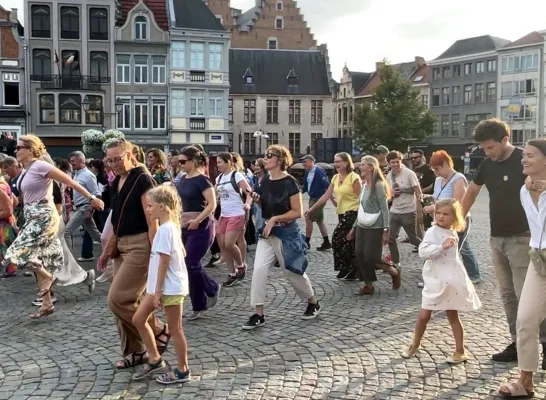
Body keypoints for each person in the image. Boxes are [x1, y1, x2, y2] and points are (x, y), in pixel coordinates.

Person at [461, 118, 546, 365]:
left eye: (490, 147)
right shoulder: (488, 164)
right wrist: (458, 218)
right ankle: (517, 342)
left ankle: (543, 342)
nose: (487, 153)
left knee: (529, 297)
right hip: (496, 238)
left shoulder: (527, 160)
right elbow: (473, 190)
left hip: (523, 238)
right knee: (508, 295)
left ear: (504, 140)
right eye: (484, 149)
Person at [4, 135, 103, 318]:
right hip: (32, 216)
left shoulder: (41, 165)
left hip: (44, 216)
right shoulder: (26, 170)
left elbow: (69, 182)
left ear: (31, 149)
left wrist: (92, 198)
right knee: (40, 260)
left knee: (14, 254)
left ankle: (50, 280)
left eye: (19, 148)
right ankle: (47, 303)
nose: (16, 151)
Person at [98, 139, 170, 369]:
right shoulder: (118, 180)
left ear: (130, 154)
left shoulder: (142, 178)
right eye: (109, 161)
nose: (113, 164)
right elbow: (118, 220)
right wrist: (108, 248)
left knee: (117, 299)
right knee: (125, 301)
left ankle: (157, 329)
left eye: (117, 159)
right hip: (122, 245)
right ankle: (135, 351)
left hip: (141, 245)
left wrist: (155, 254)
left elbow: (152, 220)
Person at [243, 145, 320, 330]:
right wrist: (257, 199)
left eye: (270, 155)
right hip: (268, 233)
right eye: (265, 155)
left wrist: (275, 219)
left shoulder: (290, 182)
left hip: (286, 233)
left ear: (280, 160)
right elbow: (265, 205)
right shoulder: (265, 181)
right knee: (259, 270)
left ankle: (312, 302)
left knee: (292, 271)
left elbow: (297, 212)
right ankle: (259, 314)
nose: (265, 158)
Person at [402, 198, 481, 363]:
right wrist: (440, 247)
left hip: (450, 280)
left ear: (454, 217)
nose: (441, 217)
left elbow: (453, 258)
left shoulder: (452, 232)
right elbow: (423, 252)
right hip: (435, 281)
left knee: (453, 315)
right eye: (438, 213)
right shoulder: (432, 232)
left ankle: (460, 350)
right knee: (424, 315)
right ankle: (415, 344)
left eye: (446, 214)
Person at [499, 139, 546, 398]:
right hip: (539, 262)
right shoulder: (523, 190)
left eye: (530, 155)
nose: (524, 159)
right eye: (523, 156)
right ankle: (525, 381)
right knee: (526, 320)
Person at [131, 185, 191, 384]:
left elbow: (165, 261)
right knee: (139, 318)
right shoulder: (170, 226)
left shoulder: (166, 229)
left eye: (151, 206)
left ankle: (183, 369)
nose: (148, 210)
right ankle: (155, 357)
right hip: (160, 286)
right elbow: (175, 255)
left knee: (175, 329)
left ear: (163, 207)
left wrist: (157, 292)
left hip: (169, 287)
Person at [176, 146, 220, 320]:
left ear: (193, 161)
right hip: (184, 226)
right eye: (179, 161)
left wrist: (198, 220)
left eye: (183, 161)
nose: (180, 165)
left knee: (190, 262)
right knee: (190, 266)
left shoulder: (203, 180)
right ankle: (198, 305)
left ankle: (212, 288)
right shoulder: (183, 179)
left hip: (201, 226)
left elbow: (211, 204)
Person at [424, 151, 481, 283]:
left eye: (437, 169)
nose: (436, 172)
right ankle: (441, 275)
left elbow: (457, 202)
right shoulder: (438, 180)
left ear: (445, 164)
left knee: (461, 246)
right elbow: (437, 197)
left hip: (457, 218)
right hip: (441, 219)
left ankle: (473, 274)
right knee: (441, 245)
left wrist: (434, 208)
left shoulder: (458, 179)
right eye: (433, 169)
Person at [305, 153, 361, 279]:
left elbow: (362, 198)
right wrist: (312, 209)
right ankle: (351, 268)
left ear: (346, 163)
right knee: (347, 242)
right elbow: (325, 196)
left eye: (339, 162)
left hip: (353, 212)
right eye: (335, 162)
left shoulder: (354, 177)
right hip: (341, 212)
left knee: (336, 237)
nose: (336, 164)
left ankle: (345, 267)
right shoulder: (335, 177)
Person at [348, 156, 398, 295]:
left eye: (363, 164)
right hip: (362, 225)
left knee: (372, 257)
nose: (360, 167)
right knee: (359, 254)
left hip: (376, 226)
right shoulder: (364, 185)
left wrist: (386, 230)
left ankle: (393, 271)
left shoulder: (378, 185)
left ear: (371, 167)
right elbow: (361, 208)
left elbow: (384, 209)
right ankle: (368, 285)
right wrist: (353, 228)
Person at [215, 152, 253, 287]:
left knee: (229, 243)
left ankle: (241, 266)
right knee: (224, 246)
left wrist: (248, 203)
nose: (217, 165)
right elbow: (215, 197)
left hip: (237, 213)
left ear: (228, 162)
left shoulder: (236, 175)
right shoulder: (218, 178)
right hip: (224, 214)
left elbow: (250, 192)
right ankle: (231, 274)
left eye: (220, 162)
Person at [385, 151, 423, 269]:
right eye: (393, 162)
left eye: (398, 162)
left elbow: (418, 191)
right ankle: (396, 263)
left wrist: (419, 208)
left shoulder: (409, 174)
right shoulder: (389, 175)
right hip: (394, 211)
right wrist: (391, 193)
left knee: (413, 239)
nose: (396, 164)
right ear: (389, 163)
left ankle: (430, 251)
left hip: (408, 211)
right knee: (390, 238)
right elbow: (387, 193)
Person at [64, 151, 102, 261]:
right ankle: (113, 245)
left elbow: (96, 194)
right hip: (81, 207)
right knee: (95, 235)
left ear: (81, 160)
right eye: (70, 162)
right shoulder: (77, 174)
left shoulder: (88, 175)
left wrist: (91, 209)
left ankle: (69, 260)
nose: (71, 164)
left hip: (85, 207)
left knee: (67, 231)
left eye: (73, 161)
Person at [301, 154, 333, 251]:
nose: (303, 164)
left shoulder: (319, 172)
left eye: (305, 162)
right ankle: (326, 242)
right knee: (320, 221)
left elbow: (327, 186)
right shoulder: (307, 172)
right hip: (312, 197)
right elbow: (306, 186)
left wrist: (332, 199)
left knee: (308, 217)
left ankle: (307, 242)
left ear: (311, 161)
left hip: (319, 198)